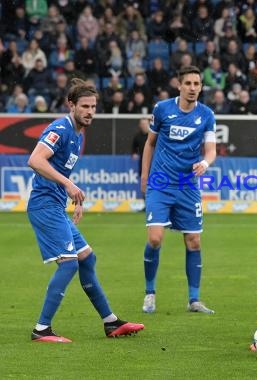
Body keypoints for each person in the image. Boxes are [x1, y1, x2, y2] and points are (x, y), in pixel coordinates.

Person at [26, 78, 144, 343]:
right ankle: (41, 329)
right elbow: (35, 160)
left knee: (87, 259)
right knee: (69, 265)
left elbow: (60, 170)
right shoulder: (60, 128)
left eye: (93, 106)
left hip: (56, 205)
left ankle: (110, 322)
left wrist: (75, 199)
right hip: (44, 206)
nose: (90, 111)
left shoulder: (79, 134)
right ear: (71, 105)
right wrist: (69, 184)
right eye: (85, 106)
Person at [140, 66, 216, 315]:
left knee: (194, 241)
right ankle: (150, 293)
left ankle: (194, 299)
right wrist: (144, 175)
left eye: (197, 84)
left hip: (187, 186)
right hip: (160, 183)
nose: (193, 88)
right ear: (179, 85)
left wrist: (204, 163)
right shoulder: (162, 109)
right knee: (155, 238)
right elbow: (150, 143)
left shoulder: (206, 115)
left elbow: (211, 149)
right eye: (189, 83)